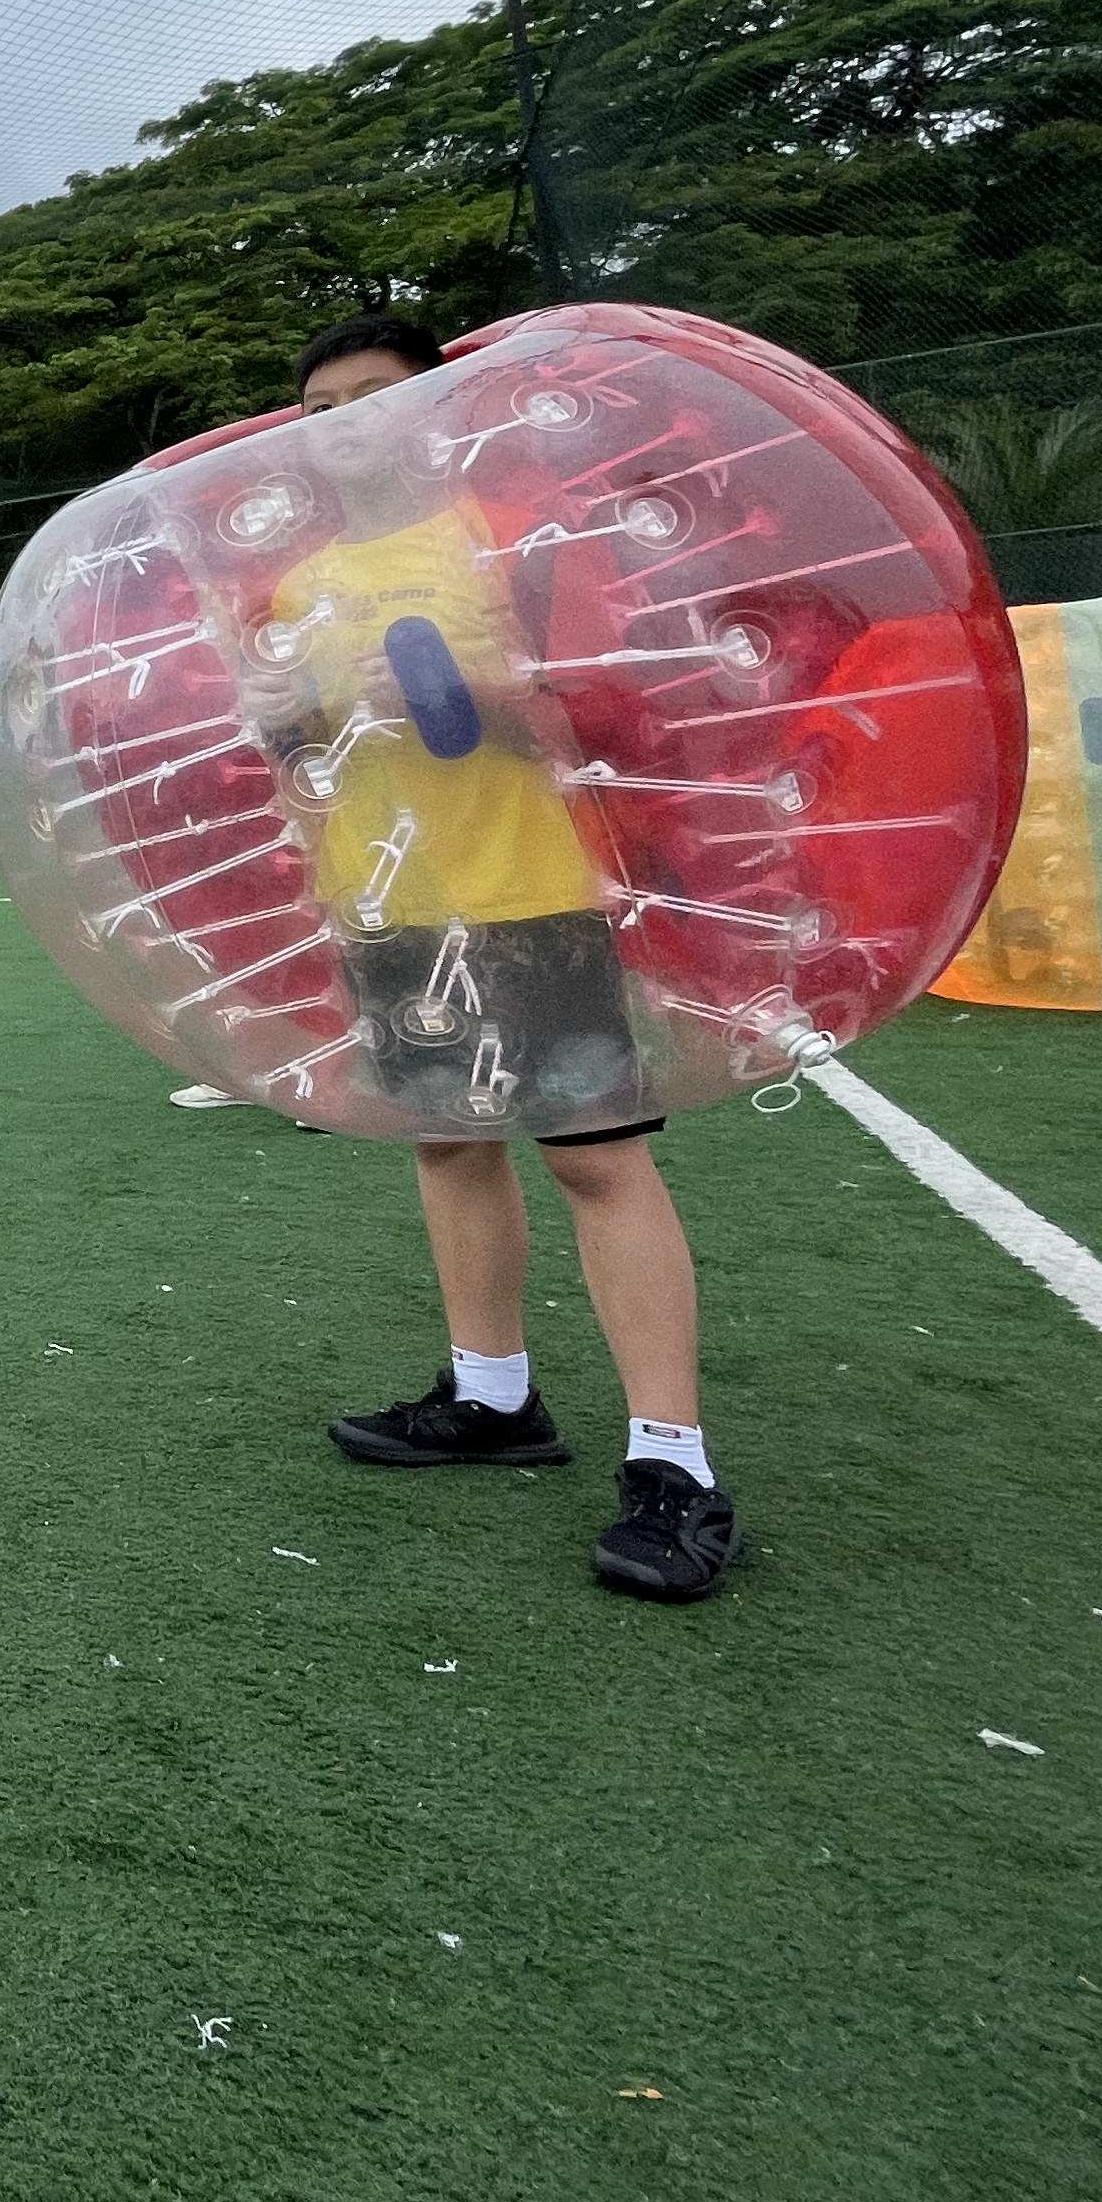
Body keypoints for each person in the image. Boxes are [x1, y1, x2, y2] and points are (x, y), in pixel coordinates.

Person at [267, 312, 736, 1602]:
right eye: (321, 412)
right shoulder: (301, 590)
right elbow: (307, 759)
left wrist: (479, 687)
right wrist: (289, 719)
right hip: (390, 905)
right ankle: (492, 1396)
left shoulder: (507, 547)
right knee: (450, 1141)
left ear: (436, 409)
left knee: (592, 1158)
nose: (347, 425)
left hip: (528, 892)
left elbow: (606, 721)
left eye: (373, 397)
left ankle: (675, 1465)